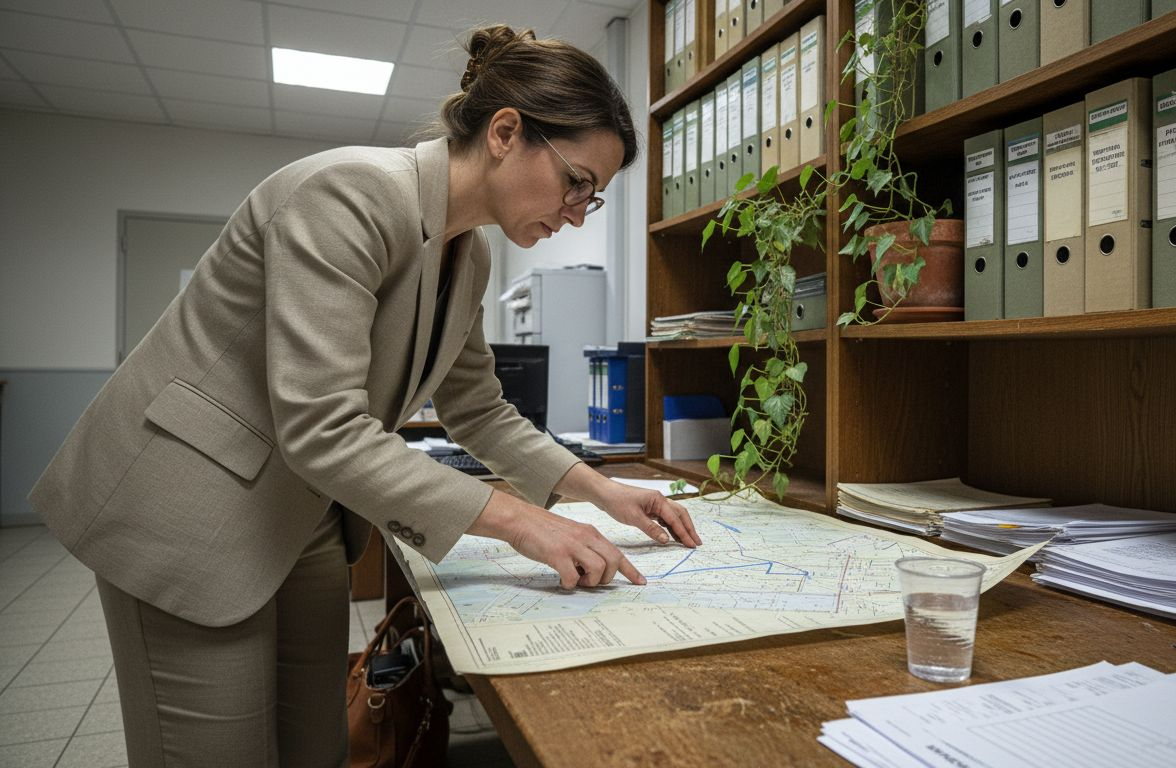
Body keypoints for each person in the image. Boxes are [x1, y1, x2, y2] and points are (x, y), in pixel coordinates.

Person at [29, 24, 701, 768]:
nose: (578, 210)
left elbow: (477, 408)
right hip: (188, 505)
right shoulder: (346, 194)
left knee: (315, 747)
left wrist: (600, 491)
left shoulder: (467, 257)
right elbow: (322, 424)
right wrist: (521, 523)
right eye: (577, 181)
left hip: (305, 510)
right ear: (507, 132)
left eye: (594, 199)